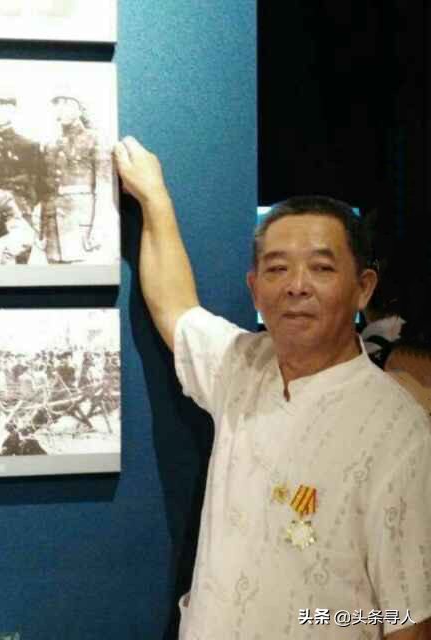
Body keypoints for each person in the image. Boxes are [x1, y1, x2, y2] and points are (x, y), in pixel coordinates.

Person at [113, 136, 431, 640]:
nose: (296, 285)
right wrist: (154, 198)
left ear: (363, 288)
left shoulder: (399, 432)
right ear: (255, 289)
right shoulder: (241, 365)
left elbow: (407, 620)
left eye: (321, 268)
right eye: (277, 268)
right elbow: (175, 307)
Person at [0, 87, 44, 263]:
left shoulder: (28, 146)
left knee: (19, 257)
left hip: (19, 210)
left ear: (13, 110)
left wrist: (25, 207)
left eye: (5, 106)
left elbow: (38, 184)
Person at [41, 89, 103, 263]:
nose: (61, 108)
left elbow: (105, 188)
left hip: (81, 223)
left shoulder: (95, 139)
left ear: (80, 109)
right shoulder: (51, 144)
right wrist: (42, 230)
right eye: (57, 104)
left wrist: (99, 227)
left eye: (67, 103)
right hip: (53, 224)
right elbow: (47, 191)